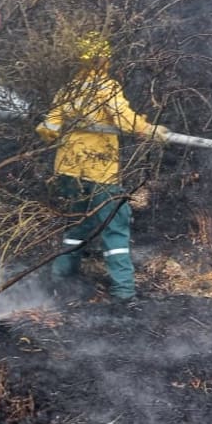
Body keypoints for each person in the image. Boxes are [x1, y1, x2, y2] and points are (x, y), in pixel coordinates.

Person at [36, 33, 169, 303]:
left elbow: (49, 128)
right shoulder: (105, 87)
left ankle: (61, 278)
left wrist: (49, 129)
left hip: (69, 171)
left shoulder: (68, 90)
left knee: (78, 223)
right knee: (114, 225)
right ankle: (124, 292)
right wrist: (150, 130)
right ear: (103, 59)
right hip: (100, 172)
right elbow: (123, 118)